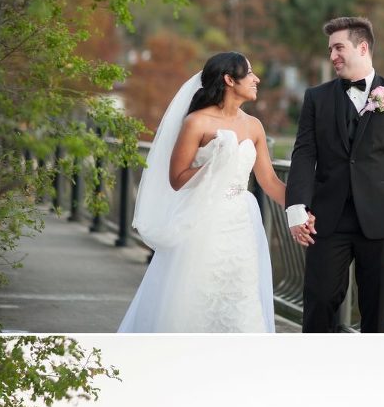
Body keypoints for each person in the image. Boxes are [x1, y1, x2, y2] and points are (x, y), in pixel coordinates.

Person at [118, 53, 288, 333]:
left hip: (242, 223)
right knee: (197, 295)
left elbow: (269, 181)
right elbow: (177, 178)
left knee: (242, 298)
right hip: (202, 221)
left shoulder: (254, 125)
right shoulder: (197, 122)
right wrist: (214, 166)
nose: (257, 79)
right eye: (249, 73)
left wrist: (303, 207)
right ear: (229, 80)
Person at [286, 17, 384, 332]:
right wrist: (296, 207)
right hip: (327, 220)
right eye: (330, 49)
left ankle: (369, 377)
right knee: (318, 302)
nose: (332, 56)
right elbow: (304, 153)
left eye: (338, 48)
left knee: (376, 311)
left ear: (363, 47)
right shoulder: (315, 98)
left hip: (381, 221)